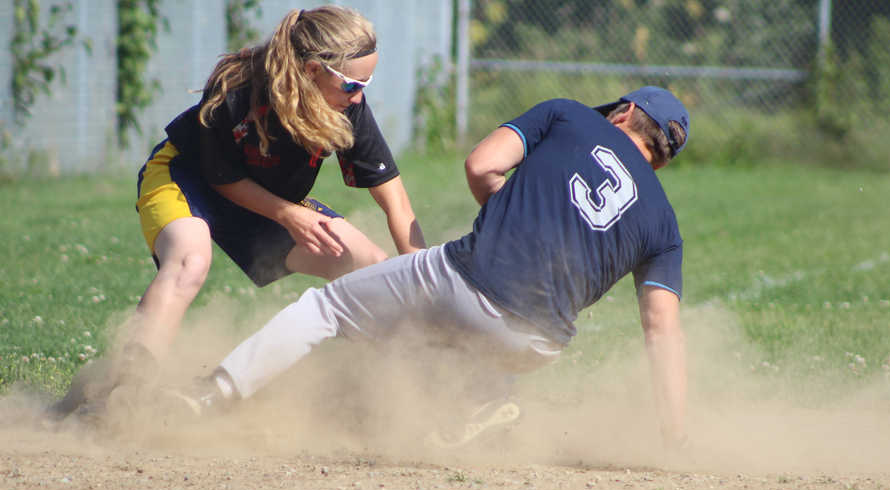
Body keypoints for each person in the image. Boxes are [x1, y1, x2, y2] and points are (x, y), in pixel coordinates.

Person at [177, 86, 690, 448]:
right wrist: (673, 435)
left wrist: (510, 212)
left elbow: (481, 164)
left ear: (622, 114)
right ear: (661, 162)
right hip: (539, 343)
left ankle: (211, 396)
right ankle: (477, 402)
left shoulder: (570, 115)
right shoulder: (664, 225)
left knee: (327, 307)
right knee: (437, 337)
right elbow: (661, 330)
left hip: (470, 284)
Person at [50, 6, 425, 418]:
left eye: (367, 83)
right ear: (313, 70)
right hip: (189, 179)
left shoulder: (347, 106)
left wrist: (424, 282)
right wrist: (289, 215)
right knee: (190, 261)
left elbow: (397, 203)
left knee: (369, 267)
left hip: (268, 202)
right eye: (353, 83)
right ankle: (119, 394)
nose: (360, 95)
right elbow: (221, 179)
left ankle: (375, 393)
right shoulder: (238, 86)